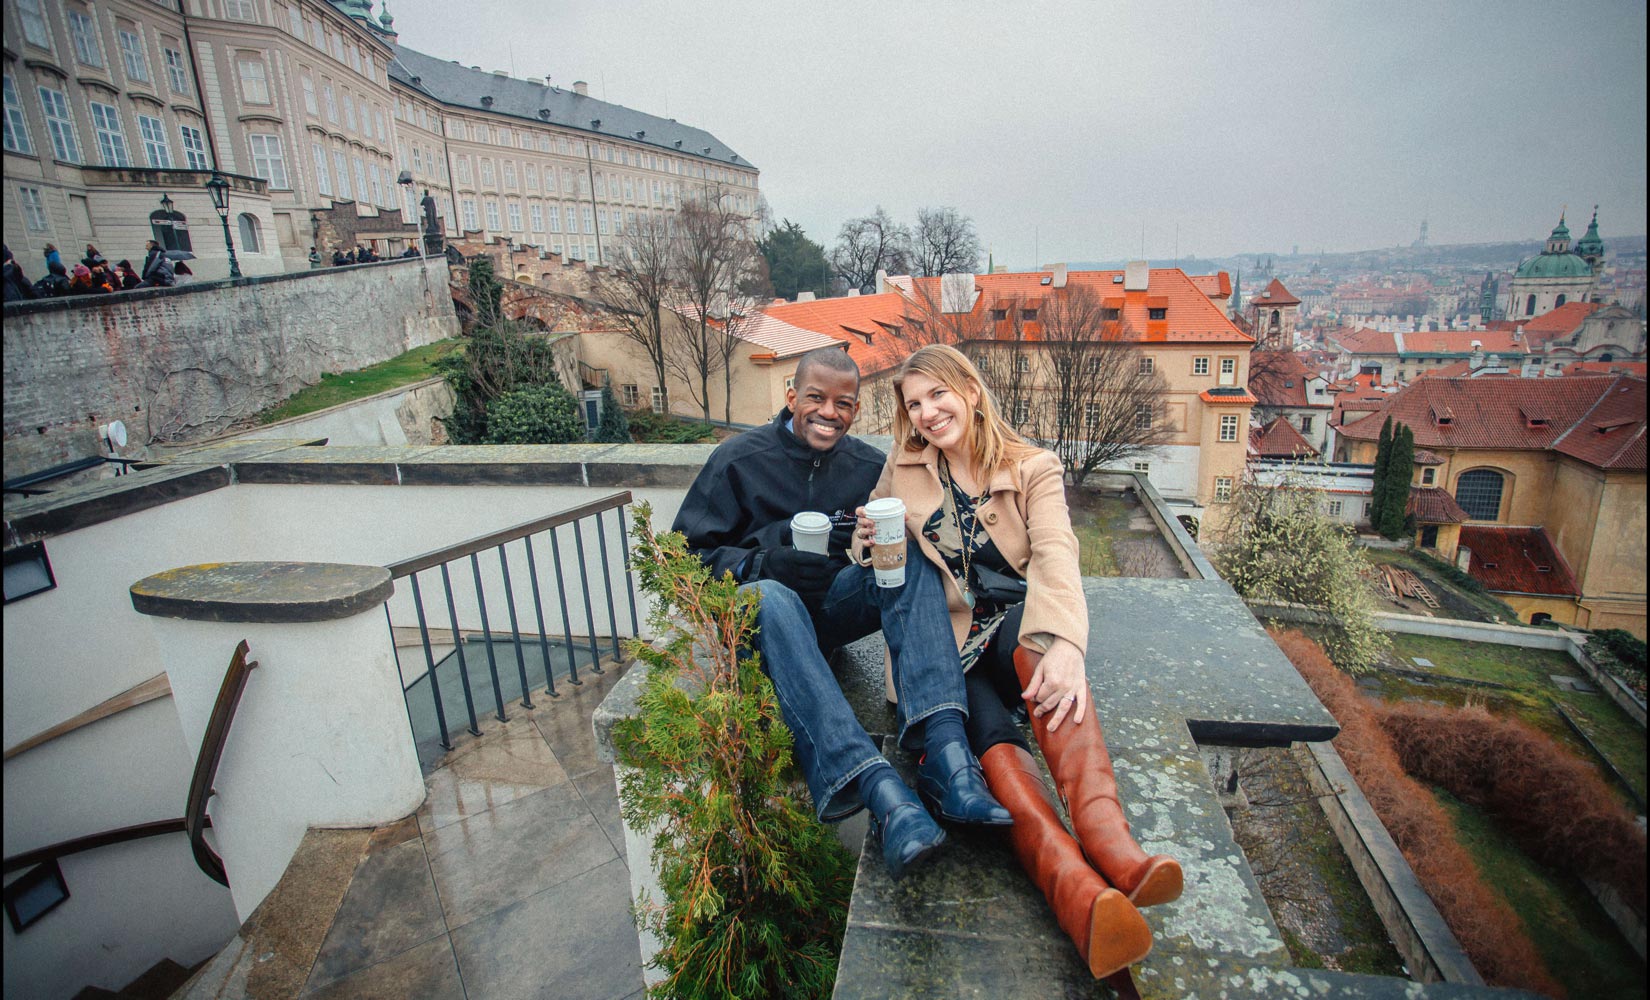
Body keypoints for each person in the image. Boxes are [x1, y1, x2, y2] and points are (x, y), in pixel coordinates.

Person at [852, 344, 1183, 979]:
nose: (925, 414)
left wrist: (1069, 645)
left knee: (1044, 657)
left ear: (970, 392)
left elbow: (1058, 553)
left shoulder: (1033, 466)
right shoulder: (905, 465)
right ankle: (1079, 895)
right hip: (943, 646)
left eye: (937, 396)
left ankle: (1113, 844)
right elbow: (872, 554)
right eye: (913, 404)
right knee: (991, 741)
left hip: (1013, 631)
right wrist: (863, 543)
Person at [673, 346, 1011, 880]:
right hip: (763, 625)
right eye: (816, 398)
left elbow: (892, 536)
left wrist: (876, 545)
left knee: (907, 549)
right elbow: (685, 558)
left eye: (844, 403)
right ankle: (879, 790)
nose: (829, 412)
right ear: (791, 397)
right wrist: (762, 561)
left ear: (856, 409)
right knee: (768, 595)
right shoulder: (737, 461)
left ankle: (946, 753)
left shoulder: (864, 467)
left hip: (831, 612)